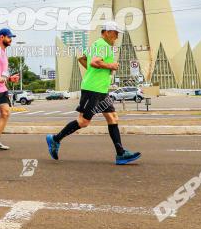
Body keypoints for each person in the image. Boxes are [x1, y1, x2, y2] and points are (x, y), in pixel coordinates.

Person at [45, 21, 141, 165]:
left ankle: (121, 154)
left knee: (113, 117)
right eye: (115, 33)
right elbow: (94, 62)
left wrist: (94, 71)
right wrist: (111, 66)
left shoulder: (96, 45)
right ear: (107, 32)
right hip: (93, 89)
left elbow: (82, 59)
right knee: (83, 121)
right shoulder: (103, 45)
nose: (117, 36)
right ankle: (55, 139)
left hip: (101, 90)